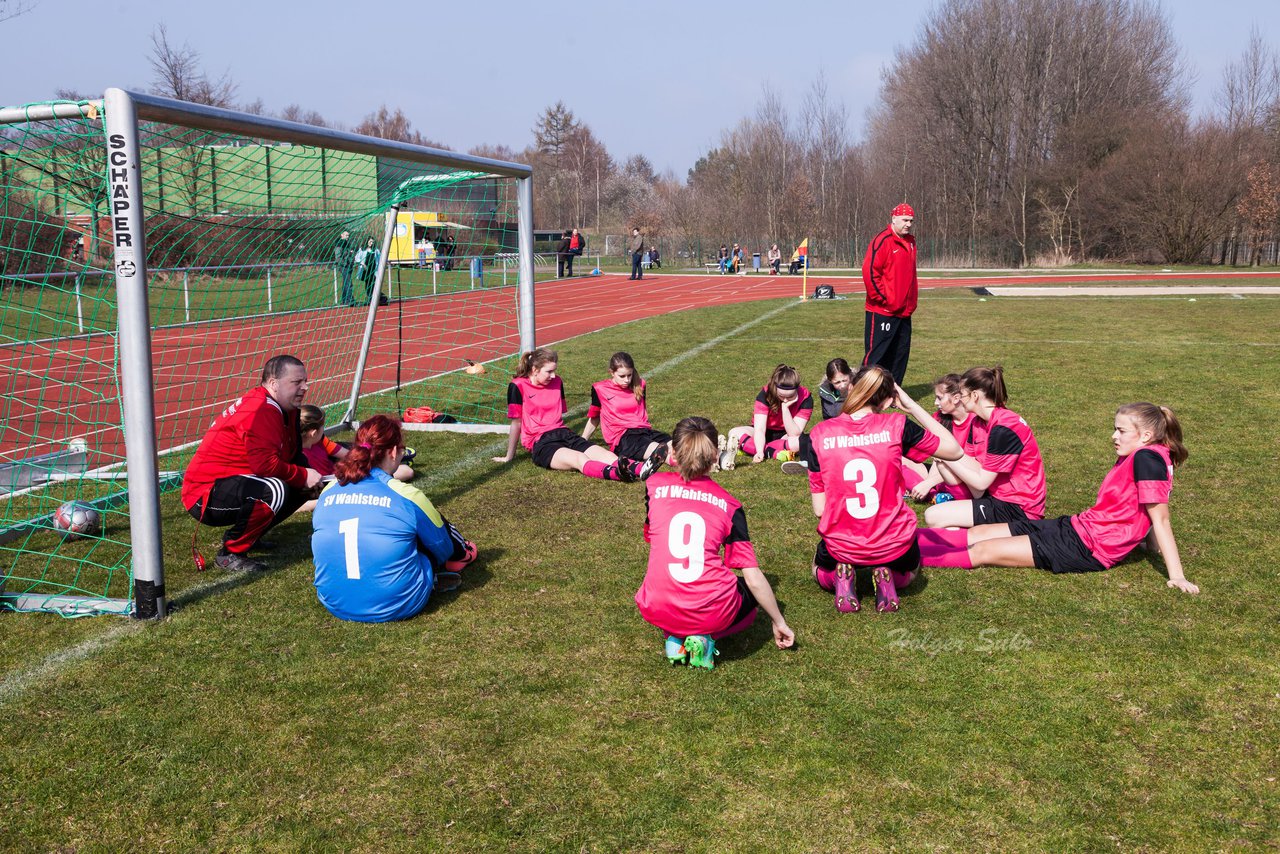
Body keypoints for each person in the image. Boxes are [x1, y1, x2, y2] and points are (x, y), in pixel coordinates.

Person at [918, 404, 1198, 593]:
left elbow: (1159, 517)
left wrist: (1177, 575)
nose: (1114, 436)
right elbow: (1148, 508)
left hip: (1088, 548)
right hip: (1077, 527)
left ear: (1146, 435)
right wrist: (1149, 547)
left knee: (984, 551)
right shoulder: (1152, 454)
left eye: (1121, 431)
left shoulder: (1147, 459)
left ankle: (902, 557)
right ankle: (899, 536)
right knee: (980, 533)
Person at [798, 366, 964, 613]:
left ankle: (840, 576)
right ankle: (888, 574)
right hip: (893, 541)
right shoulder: (897, 425)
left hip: (842, 543)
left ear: (851, 388)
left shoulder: (819, 435)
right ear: (888, 401)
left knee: (819, 570)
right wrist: (911, 407)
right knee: (910, 571)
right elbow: (955, 450)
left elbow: (820, 510)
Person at [635, 416, 796, 669]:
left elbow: (650, 537)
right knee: (750, 599)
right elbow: (752, 577)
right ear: (715, 457)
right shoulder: (730, 505)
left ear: (673, 452)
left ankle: (674, 638)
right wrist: (779, 621)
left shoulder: (653, 486)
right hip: (711, 610)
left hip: (656, 605)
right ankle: (704, 638)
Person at [311, 415, 478, 622]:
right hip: (398, 604)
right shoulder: (406, 495)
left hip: (333, 601)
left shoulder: (330, 489)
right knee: (422, 537)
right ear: (392, 452)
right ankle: (451, 564)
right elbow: (441, 548)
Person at [181, 354, 323, 572]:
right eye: (297, 382)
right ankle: (231, 552)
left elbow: (292, 453)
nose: (305, 387)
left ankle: (251, 535)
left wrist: (310, 476)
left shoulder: (288, 407)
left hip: (238, 482)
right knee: (275, 489)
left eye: (305, 381)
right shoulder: (261, 409)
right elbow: (264, 465)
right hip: (203, 495)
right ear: (274, 384)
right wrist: (304, 475)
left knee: (303, 486)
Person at [493, 347, 662, 482]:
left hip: (564, 433)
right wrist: (509, 456)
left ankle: (641, 469)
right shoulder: (517, 386)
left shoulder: (557, 382)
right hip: (541, 442)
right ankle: (619, 474)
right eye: (549, 372)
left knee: (602, 453)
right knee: (579, 458)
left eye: (555, 371)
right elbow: (516, 423)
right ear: (535, 370)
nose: (554, 376)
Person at [922, 366, 1047, 529]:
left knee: (933, 516)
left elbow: (980, 483)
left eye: (963, 394)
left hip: (1019, 508)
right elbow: (970, 468)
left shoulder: (1004, 427)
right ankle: (980, 540)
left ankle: (992, 540)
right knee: (940, 516)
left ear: (974, 395)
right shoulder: (979, 422)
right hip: (994, 496)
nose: (959, 398)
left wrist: (946, 458)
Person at [862, 202, 919, 386]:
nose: (908, 224)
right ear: (893, 218)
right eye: (904, 220)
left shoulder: (911, 241)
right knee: (877, 356)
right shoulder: (882, 241)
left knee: (900, 355)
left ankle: (893, 393)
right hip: (883, 311)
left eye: (911, 220)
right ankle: (866, 393)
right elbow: (870, 272)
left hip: (904, 312)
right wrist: (885, 299)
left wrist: (910, 303)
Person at [902, 373, 982, 503]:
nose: (935, 403)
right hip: (939, 472)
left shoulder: (976, 422)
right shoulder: (939, 418)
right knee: (899, 458)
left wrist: (928, 483)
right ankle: (935, 495)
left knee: (944, 461)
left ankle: (929, 493)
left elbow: (974, 468)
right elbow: (935, 456)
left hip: (963, 478)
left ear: (956, 398)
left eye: (939, 398)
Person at [582, 352, 671, 464]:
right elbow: (594, 417)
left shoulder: (640, 384)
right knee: (658, 448)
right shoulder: (600, 389)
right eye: (622, 376)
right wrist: (582, 441)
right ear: (611, 372)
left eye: (630, 375)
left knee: (674, 443)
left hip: (644, 432)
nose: (627, 380)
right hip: (623, 438)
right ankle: (680, 464)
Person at [726, 364, 813, 464]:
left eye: (790, 396)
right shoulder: (765, 394)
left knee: (802, 442)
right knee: (733, 433)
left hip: (786, 435)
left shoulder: (806, 398)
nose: (785, 400)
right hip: (763, 432)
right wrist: (759, 451)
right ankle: (774, 453)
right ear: (775, 389)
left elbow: (794, 433)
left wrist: (785, 409)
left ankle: (748, 447)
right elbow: (760, 429)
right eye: (781, 396)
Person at [356, 237, 388, 306]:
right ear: (367, 241)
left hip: (373, 271)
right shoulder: (362, 249)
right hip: (365, 270)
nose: (371, 243)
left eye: (372, 242)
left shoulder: (376, 250)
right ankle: (370, 298)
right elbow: (357, 258)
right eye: (370, 241)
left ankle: (380, 298)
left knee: (374, 285)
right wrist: (362, 263)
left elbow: (379, 259)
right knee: (368, 285)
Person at [334, 230, 356, 305]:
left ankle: (345, 300)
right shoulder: (339, 244)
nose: (347, 237)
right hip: (343, 266)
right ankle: (349, 300)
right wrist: (345, 263)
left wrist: (352, 260)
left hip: (348, 266)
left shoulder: (347, 244)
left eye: (348, 235)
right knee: (349, 283)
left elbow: (350, 255)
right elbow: (338, 257)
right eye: (346, 235)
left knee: (346, 283)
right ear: (342, 235)